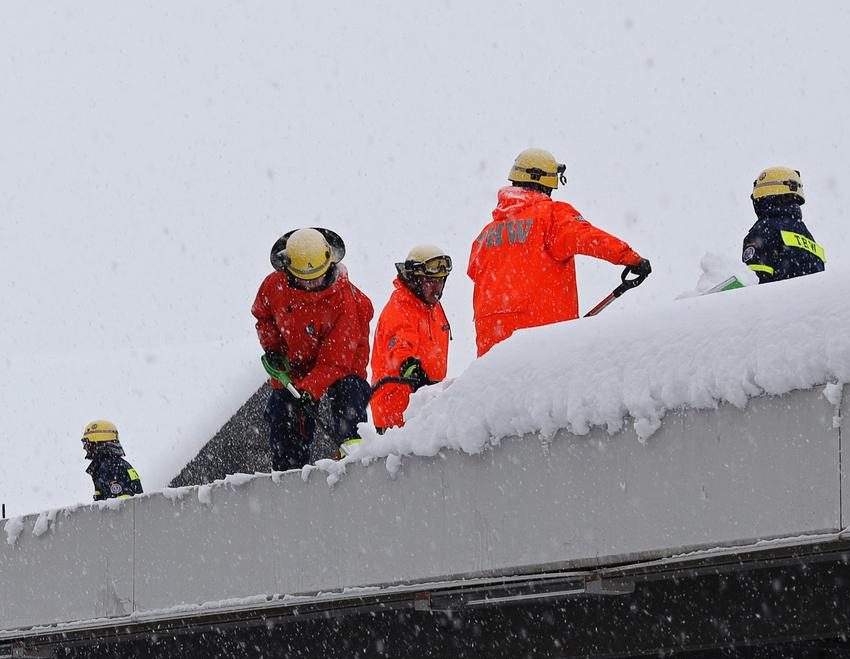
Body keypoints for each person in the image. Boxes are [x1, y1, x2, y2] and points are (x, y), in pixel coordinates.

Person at [467, 149, 649, 355]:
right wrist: (630, 258)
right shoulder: (551, 215)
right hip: (542, 335)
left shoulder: (484, 236)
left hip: (491, 342)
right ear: (543, 182)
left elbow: (475, 273)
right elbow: (588, 237)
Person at [251, 227, 375, 470]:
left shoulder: (344, 301)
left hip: (342, 366)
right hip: (294, 364)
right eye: (304, 279)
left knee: (348, 395)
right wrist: (273, 348)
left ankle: (354, 453)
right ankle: (288, 470)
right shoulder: (273, 287)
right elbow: (263, 316)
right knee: (283, 410)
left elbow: (336, 360)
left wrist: (311, 388)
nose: (311, 284)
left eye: (316, 277)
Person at [369, 246, 454, 432]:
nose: (437, 288)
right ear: (415, 279)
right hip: (396, 415)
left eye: (440, 281)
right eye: (431, 282)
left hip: (425, 407)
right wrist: (410, 368)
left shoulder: (433, 308)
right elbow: (399, 347)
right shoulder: (400, 309)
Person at [742, 167, 826, 285]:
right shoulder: (808, 237)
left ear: (765, 198)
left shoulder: (763, 230)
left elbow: (753, 283)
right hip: (811, 303)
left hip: (777, 302)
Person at [79, 421, 143, 501]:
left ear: (97, 443)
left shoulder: (110, 467)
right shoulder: (115, 464)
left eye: (87, 444)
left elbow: (120, 505)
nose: (84, 448)